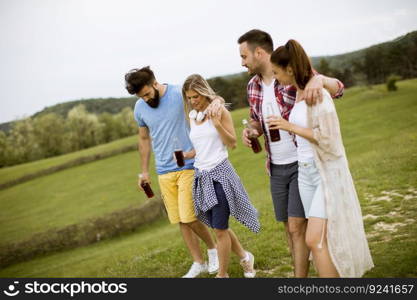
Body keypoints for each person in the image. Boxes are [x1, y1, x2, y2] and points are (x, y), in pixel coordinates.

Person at [237, 29, 344, 277]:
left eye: (244, 56)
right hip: (276, 166)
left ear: (260, 52)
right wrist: (252, 131)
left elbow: (338, 88)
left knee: (298, 226)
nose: (242, 63)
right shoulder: (253, 85)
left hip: (302, 161)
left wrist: (319, 80)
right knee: (290, 228)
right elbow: (256, 121)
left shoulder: (288, 70)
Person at [268, 39, 374, 277]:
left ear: (290, 69)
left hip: (323, 172)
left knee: (314, 238)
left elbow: (329, 141)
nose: (276, 78)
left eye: (276, 72)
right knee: (321, 242)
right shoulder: (295, 94)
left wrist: (288, 127)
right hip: (304, 174)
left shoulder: (318, 95)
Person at [125, 66, 220, 278]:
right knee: (180, 219)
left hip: (188, 164)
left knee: (189, 216)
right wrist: (143, 172)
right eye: (142, 97)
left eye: (148, 94)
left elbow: (209, 99)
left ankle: (213, 250)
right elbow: (143, 139)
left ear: (154, 83)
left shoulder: (179, 93)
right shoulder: (139, 108)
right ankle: (198, 262)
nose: (146, 99)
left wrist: (218, 103)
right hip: (163, 171)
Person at [182, 74, 260, 278]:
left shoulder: (220, 111)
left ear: (204, 93)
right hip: (201, 176)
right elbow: (202, 147)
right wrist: (188, 154)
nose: (192, 102)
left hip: (220, 175)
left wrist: (217, 124)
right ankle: (245, 258)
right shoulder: (193, 117)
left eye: (195, 97)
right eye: (189, 98)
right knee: (219, 226)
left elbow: (232, 143)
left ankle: (222, 275)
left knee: (220, 230)